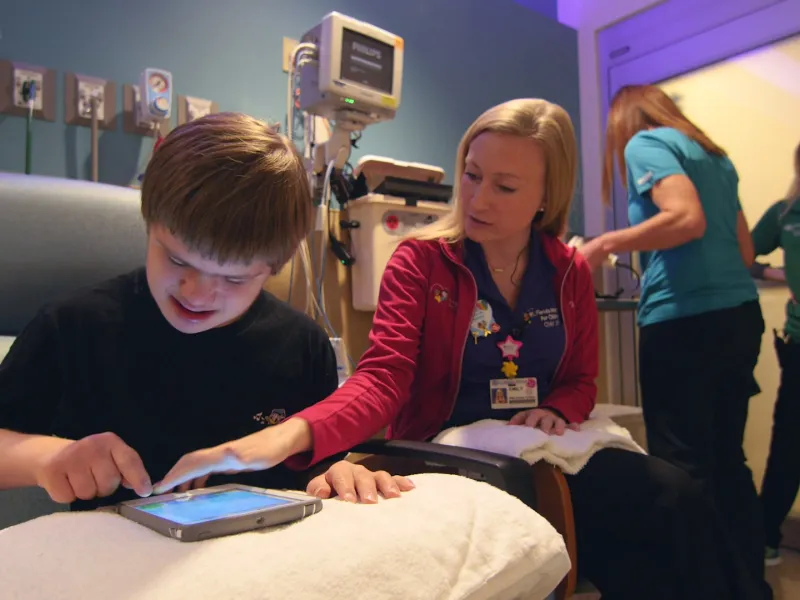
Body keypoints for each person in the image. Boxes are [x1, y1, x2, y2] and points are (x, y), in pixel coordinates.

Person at [158, 99, 763, 599]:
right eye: (471, 175)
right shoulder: (422, 263)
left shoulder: (568, 270)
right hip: (447, 449)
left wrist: (559, 410)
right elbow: (382, 380)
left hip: (542, 444)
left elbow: (580, 381)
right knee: (628, 514)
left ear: (545, 198)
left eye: (504, 186)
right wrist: (281, 438)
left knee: (675, 500)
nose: (478, 200)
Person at [0, 112, 412, 510]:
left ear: (273, 267)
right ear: (150, 224)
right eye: (179, 261)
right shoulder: (75, 327)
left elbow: (318, 463)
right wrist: (51, 459)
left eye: (234, 280)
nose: (197, 294)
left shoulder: (302, 347)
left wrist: (340, 474)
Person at [578, 84, 769, 596]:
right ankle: (749, 588)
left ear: (623, 120)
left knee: (684, 467)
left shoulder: (644, 143)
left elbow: (686, 218)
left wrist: (603, 244)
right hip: (738, 315)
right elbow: (745, 250)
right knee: (729, 460)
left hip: (684, 321)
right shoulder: (714, 157)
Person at [750, 140, 800, 566]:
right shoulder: (787, 214)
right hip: (799, 345)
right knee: (789, 445)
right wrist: (778, 272)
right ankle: (766, 538)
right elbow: (744, 255)